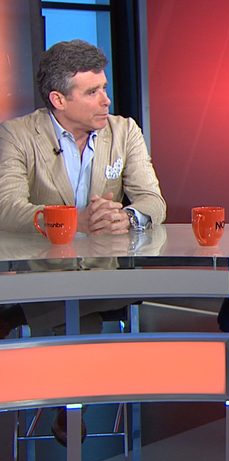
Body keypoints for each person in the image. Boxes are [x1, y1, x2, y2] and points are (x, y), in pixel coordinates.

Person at [0, 39, 166, 338]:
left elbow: (153, 201)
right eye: (92, 92)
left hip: (106, 269)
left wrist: (126, 218)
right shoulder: (17, 135)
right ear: (58, 100)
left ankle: (16, 316)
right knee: (83, 317)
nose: (106, 101)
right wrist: (74, 221)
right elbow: (8, 209)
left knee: (86, 307)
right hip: (45, 271)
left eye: (104, 88)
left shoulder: (124, 131)